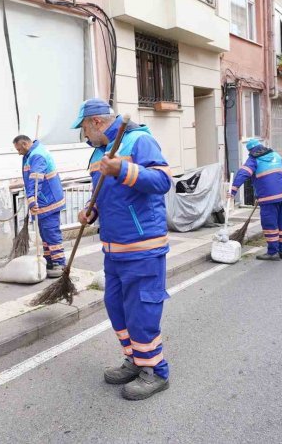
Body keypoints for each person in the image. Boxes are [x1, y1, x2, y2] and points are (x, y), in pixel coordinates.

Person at [74, 98, 173, 401]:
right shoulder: (98, 153)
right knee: (116, 307)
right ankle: (134, 360)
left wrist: (123, 170)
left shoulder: (139, 140)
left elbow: (163, 180)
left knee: (141, 309)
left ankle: (155, 370)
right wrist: (92, 212)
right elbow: (102, 193)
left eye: (84, 130)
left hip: (142, 246)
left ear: (96, 123)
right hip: (113, 249)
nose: (84, 137)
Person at [13, 135, 66, 277]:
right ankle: (49, 261)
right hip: (43, 199)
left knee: (51, 233)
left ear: (24, 144)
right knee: (45, 234)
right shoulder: (31, 154)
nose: (18, 152)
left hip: (48, 200)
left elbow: (35, 180)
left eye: (18, 149)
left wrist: (31, 199)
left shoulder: (37, 155)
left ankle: (59, 263)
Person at [230, 138, 282, 261]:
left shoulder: (253, 160)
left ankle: (273, 252)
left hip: (268, 197)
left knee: (270, 224)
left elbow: (243, 174)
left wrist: (232, 190)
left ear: (251, 150)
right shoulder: (276, 155)